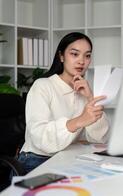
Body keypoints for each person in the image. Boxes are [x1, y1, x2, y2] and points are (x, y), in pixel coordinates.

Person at [18, 32, 109, 174]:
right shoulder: (43, 86)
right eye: (74, 54)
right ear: (61, 56)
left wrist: (90, 98)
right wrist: (79, 121)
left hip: (69, 157)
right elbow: (40, 138)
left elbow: (100, 138)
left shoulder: (84, 89)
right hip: (37, 160)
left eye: (87, 55)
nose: (81, 61)